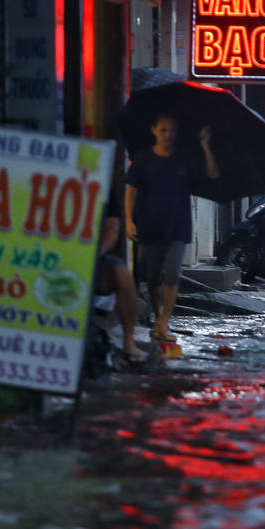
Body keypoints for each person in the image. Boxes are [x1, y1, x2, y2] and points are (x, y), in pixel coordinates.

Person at [125, 113, 219, 343]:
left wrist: (205, 145)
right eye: (163, 130)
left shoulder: (184, 158)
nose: (168, 135)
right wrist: (128, 219)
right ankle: (158, 317)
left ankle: (164, 321)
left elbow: (212, 174)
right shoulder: (143, 158)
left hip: (178, 226)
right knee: (152, 278)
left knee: (172, 275)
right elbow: (131, 191)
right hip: (148, 225)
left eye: (172, 131)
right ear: (154, 130)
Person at [96, 197, 148, 363]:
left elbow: (112, 229)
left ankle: (128, 341)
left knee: (123, 274)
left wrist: (96, 255)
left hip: (93, 256)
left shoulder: (104, 191)